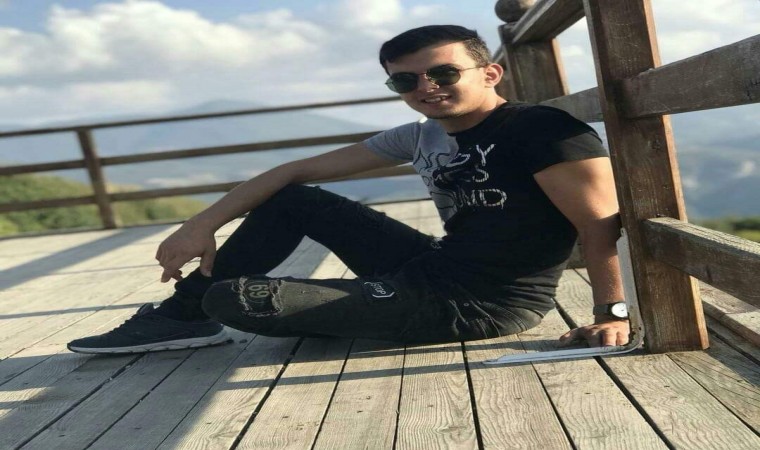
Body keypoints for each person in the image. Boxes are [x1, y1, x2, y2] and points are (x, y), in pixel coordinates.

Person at [67, 25, 630, 355]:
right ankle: (183, 316)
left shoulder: (544, 131)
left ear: (490, 73)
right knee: (294, 200)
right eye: (405, 80)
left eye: (443, 73)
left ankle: (320, 306)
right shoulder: (421, 134)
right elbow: (289, 173)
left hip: (484, 305)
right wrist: (199, 225)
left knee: (235, 299)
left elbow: (599, 222)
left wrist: (613, 312)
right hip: (432, 267)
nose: (426, 88)